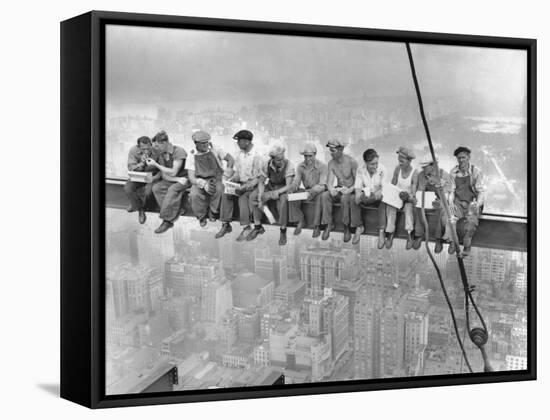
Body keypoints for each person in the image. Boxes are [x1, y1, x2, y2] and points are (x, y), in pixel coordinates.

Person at [215, 129, 264, 241]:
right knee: (226, 193)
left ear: (246, 142)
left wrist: (246, 186)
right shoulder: (239, 154)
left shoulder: (257, 155)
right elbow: (238, 172)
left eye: (239, 141)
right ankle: (225, 224)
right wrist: (232, 180)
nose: (237, 144)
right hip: (241, 184)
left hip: (254, 185)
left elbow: (260, 177)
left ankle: (246, 227)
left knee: (242, 198)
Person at [187, 130, 235, 227]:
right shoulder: (192, 155)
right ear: (196, 144)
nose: (206, 145)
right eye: (202, 143)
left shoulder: (215, 149)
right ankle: (201, 216)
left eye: (207, 142)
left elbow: (230, 159)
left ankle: (213, 212)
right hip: (200, 180)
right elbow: (191, 177)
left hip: (216, 178)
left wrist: (228, 171)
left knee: (220, 189)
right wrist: (203, 184)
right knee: (194, 194)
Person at [147, 131, 190, 234]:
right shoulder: (162, 154)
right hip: (175, 180)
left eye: (157, 145)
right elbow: (165, 175)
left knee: (172, 189)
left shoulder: (178, 151)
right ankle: (177, 210)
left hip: (185, 179)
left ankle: (167, 220)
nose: (156, 148)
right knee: (156, 188)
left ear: (164, 143)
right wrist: (176, 180)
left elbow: (174, 171)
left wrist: (156, 165)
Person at [251, 145, 295, 245]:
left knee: (283, 201)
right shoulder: (267, 164)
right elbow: (261, 182)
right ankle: (258, 226)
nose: (281, 161)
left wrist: (274, 194)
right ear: (273, 159)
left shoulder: (289, 165)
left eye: (283, 158)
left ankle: (283, 230)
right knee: (255, 196)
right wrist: (261, 195)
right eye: (279, 160)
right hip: (271, 186)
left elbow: (289, 185)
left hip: (283, 189)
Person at [413, 154, 455, 253]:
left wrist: (437, 184)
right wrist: (419, 196)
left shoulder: (444, 175)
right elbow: (420, 191)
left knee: (442, 210)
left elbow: (447, 196)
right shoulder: (421, 175)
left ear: (433, 165)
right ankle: (419, 234)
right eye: (422, 167)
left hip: (441, 201)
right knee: (418, 206)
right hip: (427, 200)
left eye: (425, 167)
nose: (423, 169)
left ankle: (438, 239)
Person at [448, 146, 485, 256]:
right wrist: (451, 203)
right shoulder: (453, 172)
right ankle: (453, 241)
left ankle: (467, 246)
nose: (461, 160)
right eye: (459, 158)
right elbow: (452, 191)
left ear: (468, 157)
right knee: (451, 220)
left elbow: (481, 192)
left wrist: (477, 204)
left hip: (472, 203)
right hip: (458, 202)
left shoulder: (476, 172)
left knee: (470, 224)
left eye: (463, 157)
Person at [320, 139, 358, 242]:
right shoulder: (331, 163)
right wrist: (331, 189)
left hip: (350, 191)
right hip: (340, 189)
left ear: (341, 150)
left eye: (333, 150)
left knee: (345, 199)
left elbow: (358, 182)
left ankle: (346, 227)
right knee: (325, 195)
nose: (331, 153)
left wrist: (350, 190)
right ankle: (328, 224)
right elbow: (329, 182)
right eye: (330, 150)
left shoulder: (352, 162)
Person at [288, 142, 328, 238]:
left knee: (319, 197)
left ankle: (316, 226)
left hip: (319, 190)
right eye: (305, 156)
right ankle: (300, 220)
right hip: (307, 191)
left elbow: (323, 184)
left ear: (315, 154)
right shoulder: (300, 167)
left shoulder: (322, 166)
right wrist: (292, 188)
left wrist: (315, 190)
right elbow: (296, 181)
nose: (308, 159)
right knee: (292, 196)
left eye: (310, 156)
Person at [351, 148, 387, 248]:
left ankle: (381, 231)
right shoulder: (360, 170)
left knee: (383, 201)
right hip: (366, 196)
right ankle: (359, 227)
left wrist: (375, 195)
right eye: (372, 164)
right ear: (366, 163)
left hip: (377, 196)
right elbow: (358, 187)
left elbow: (383, 189)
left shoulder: (382, 169)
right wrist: (359, 196)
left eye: (376, 163)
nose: (375, 166)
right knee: (353, 199)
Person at [385, 146, 418, 250]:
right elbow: (393, 183)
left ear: (409, 161)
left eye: (402, 161)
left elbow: (413, 192)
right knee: (390, 208)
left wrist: (408, 197)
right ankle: (390, 233)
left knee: (408, 210)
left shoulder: (414, 173)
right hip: (397, 197)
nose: (400, 163)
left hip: (407, 199)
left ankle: (409, 234)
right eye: (399, 160)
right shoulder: (397, 169)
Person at [124, 136, 160, 224]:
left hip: (152, 176)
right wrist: (142, 163)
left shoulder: (157, 151)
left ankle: (137, 206)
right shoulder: (133, 150)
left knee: (148, 192)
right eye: (143, 149)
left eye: (148, 148)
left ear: (151, 145)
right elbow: (131, 168)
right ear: (138, 147)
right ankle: (140, 209)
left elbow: (161, 169)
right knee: (128, 188)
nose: (146, 151)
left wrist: (154, 178)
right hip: (138, 176)